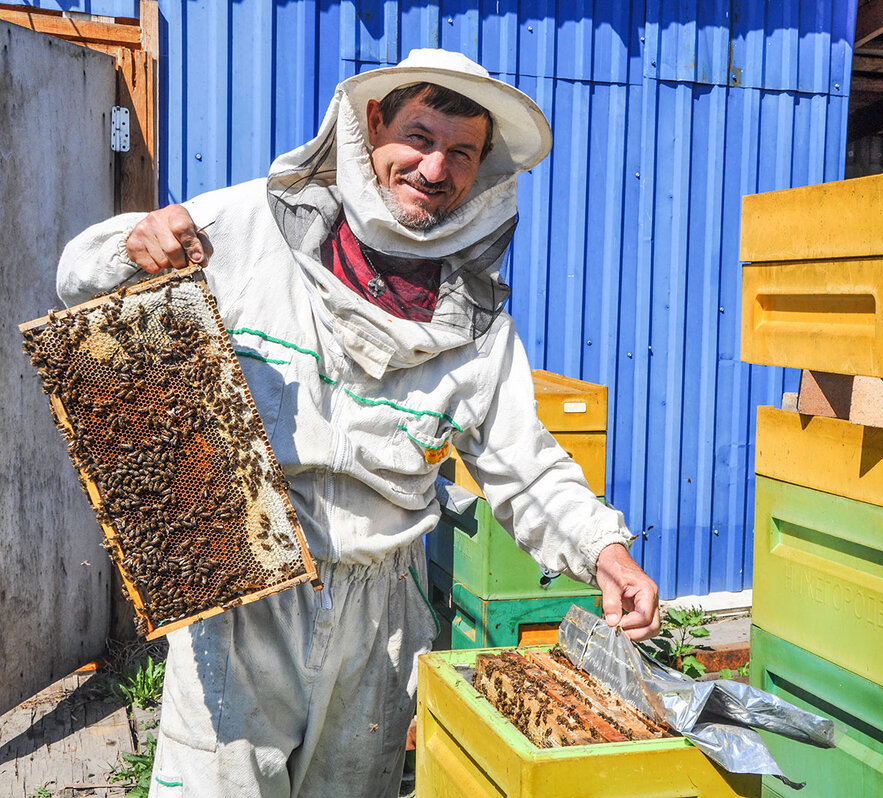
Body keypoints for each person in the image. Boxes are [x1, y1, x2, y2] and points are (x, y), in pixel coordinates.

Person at [57, 48, 660, 796]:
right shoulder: (253, 225)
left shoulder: (475, 318)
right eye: (420, 136)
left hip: (382, 616)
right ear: (372, 124)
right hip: (245, 591)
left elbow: (525, 464)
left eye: (461, 153)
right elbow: (78, 274)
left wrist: (603, 548)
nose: (435, 170)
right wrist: (133, 243)